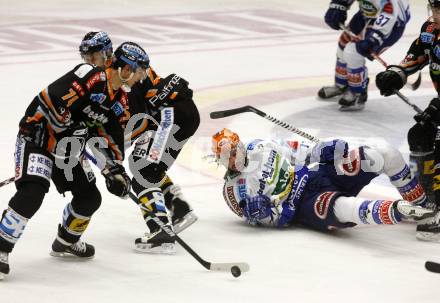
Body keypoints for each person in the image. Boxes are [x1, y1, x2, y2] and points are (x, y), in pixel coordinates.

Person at [0, 41, 149, 280]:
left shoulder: (119, 103)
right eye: (140, 72)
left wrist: (114, 172)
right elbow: (49, 100)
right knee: (32, 193)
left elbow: (107, 139)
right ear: (127, 69)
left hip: (67, 150)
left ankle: (66, 241)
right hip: (38, 137)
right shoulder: (89, 75)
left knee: (89, 198)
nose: (140, 79)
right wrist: (71, 127)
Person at [78, 31, 200, 254]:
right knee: (145, 165)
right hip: (173, 117)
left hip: (171, 117)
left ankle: (162, 232)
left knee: (143, 170)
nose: (89, 62)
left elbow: (135, 119)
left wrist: (108, 155)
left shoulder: (121, 72)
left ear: (106, 53)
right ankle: (178, 208)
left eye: (93, 57)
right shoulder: (115, 71)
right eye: (85, 58)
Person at [211, 128, 440, 239]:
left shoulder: (260, 146)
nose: (233, 158)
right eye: (226, 156)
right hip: (305, 204)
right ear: (220, 160)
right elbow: (275, 220)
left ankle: (424, 205)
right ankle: (401, 211)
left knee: (383, 154)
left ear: (240, 145)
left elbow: (300, 152)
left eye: (234, 151)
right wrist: (262, 214)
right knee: (345, 208)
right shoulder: (233, 191)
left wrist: (324, 150)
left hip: (318, 175)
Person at [376, 0, 440, 235]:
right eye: (434, 8)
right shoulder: (431, 30)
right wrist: (397, 73)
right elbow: (417, 55)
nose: (435, 13)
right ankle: (429, 202)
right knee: (421, 135)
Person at [318, 0, 410, 111]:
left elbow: (389, 12)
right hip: (366, 13)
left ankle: (358, 93)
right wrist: (338, 5)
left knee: (354, 52)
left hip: (393, 24)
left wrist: (374, 38)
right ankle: (341, 85)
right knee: (344, 42)